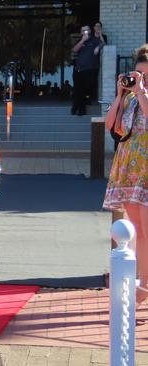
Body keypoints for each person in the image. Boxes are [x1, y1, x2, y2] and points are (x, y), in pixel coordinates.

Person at [103, 44, 148, 307]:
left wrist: (141, 91)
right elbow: (112, 125)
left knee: (146, 230)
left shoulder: (142, 95)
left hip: (146, 166)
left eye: (146, 75)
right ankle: (140, 284)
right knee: (137, 229)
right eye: (138, 73)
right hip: (130, 166)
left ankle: (143, 285)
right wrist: (120, 94)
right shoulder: (130, 97)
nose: (140, 78)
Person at [71, 25, 102, 115]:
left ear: (90, 31)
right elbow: (75, 50)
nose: (86, 31)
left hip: (91, 68)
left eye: (87, 29)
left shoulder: (94, 40)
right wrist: (83, 40)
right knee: (77, 89)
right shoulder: (80, 40)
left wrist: (98, 47)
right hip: (79, 69)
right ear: (81, 32)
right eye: (83, 30)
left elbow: (103, 43)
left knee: (85, 89)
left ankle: (79, 108)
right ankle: (77, 107)